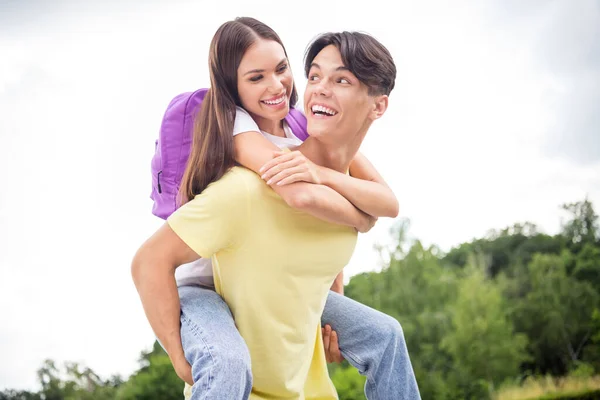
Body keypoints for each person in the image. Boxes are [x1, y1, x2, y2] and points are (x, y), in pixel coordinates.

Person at [133, 17, 420, 399]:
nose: (276, 85)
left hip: (273, 278)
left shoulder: (301, 128)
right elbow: (298, 197)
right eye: (256, 78)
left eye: (282, 69)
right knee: (227, 360)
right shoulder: (236, 130)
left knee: (386, 335)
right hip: (204, 284)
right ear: (232, 87)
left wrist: (329, 182)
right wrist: (361, 217)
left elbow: (386, 203)